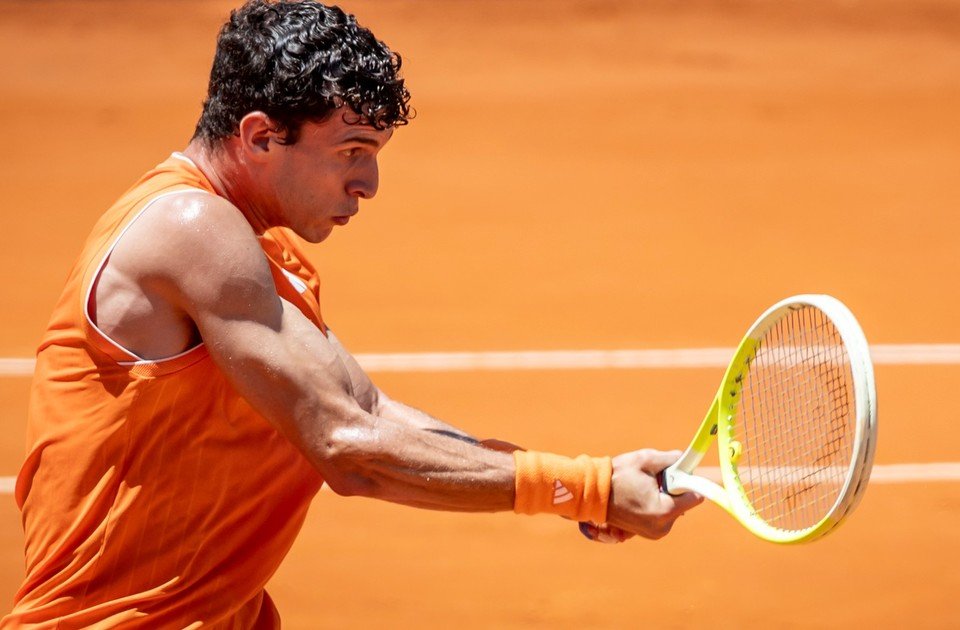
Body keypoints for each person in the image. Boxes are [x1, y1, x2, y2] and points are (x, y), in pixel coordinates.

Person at [4, 1, 702, 625]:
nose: (367, 183)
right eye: (351, 152)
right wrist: (586, 489)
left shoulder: (259, 255)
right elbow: (347, 448)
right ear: (259, 135)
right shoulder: (190, 227)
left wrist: (589, 487)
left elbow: (369, 410)